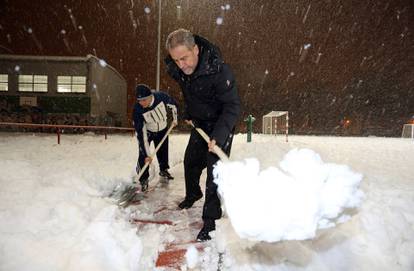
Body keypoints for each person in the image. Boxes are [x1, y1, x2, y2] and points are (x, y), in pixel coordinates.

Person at [165, 29, 241, 241]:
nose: (182, 65)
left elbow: (232, 106)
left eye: (185, 58)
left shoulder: (219, 70)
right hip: (200, 123)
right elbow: (191, 93)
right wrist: (189, 113)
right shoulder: (179, 70)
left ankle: (211, 220)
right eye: (176, 60)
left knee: (214, 173)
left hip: (221, 123)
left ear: (196, 49)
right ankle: (192, 194)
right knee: (191, 161)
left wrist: (219, 135)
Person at [132, 84, 178, 192]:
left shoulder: (161, 97)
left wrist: (175, 119)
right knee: (143, 155)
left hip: (162, 128)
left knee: (163, 150)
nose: (141, 103)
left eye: (143, 100)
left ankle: (163, 169)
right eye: (139, 100)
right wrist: (147, 154)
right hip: (148, 131)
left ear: (150, 96)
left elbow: (174, 105)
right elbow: (141, 133)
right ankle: (143, 178)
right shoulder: (138, 110)